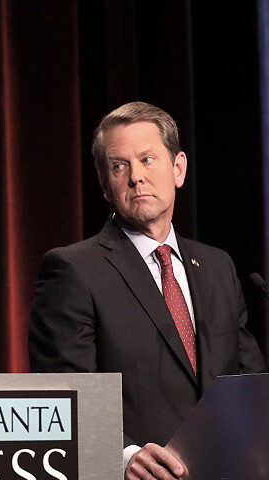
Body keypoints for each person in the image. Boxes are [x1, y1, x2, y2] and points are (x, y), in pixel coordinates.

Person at [29, 101, 266, 480]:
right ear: (105, 183)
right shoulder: (74, 270)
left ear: (178, 169)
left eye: (147, 159)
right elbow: (64, 396)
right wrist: (123, 456)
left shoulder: (218, 267)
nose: (136, 176)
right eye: (119, 166)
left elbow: (249, 380)